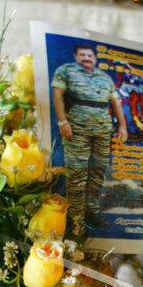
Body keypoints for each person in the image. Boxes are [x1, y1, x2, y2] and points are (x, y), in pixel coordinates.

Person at [52, 43, 128, 232]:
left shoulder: (104, 78)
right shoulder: (66, 71)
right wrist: (62, 121)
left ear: (95, 58)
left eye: (90, 55)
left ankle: (91, 211)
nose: (86, 58)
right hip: (77, 130)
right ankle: (76, 217)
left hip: (102, 131)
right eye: (82, 55)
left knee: (98, 171)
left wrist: (122, 125)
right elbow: (57, 95)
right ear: (76, 57)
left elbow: (116, 103)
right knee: (77, 173)